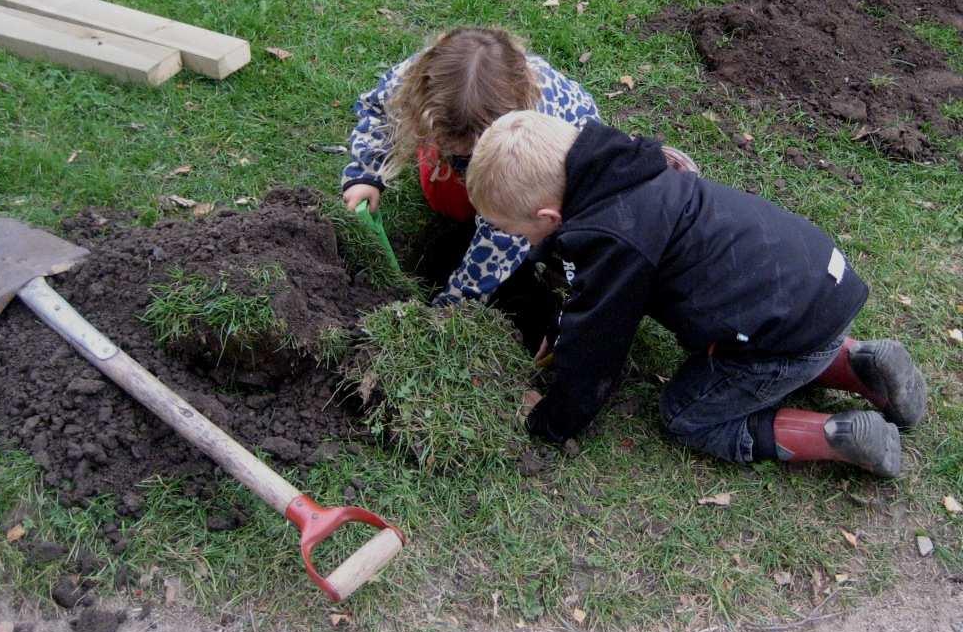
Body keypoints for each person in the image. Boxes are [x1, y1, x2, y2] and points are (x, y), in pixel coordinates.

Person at [465, 110, 926, 477]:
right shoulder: (624, 168)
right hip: (816, 283)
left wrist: (552, 420)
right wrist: (555, 317)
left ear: (548, 215)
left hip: (791, 330)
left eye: (515, 231)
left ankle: (837, 434)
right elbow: (576, 278)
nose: (523, 243)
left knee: (689, 413)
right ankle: (859, 364)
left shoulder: (614, 242)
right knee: (785, 341)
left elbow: (596, 347)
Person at [340, 26, 700, 310]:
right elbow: (378, 111)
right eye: (446, 139)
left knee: (518, 223)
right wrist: (365, 175)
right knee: (444, 201)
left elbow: (498, 243)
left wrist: (449, 305)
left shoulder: (545, 124)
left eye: (467, 146)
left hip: (534, 174)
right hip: (494, 156)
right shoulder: (424, 78)